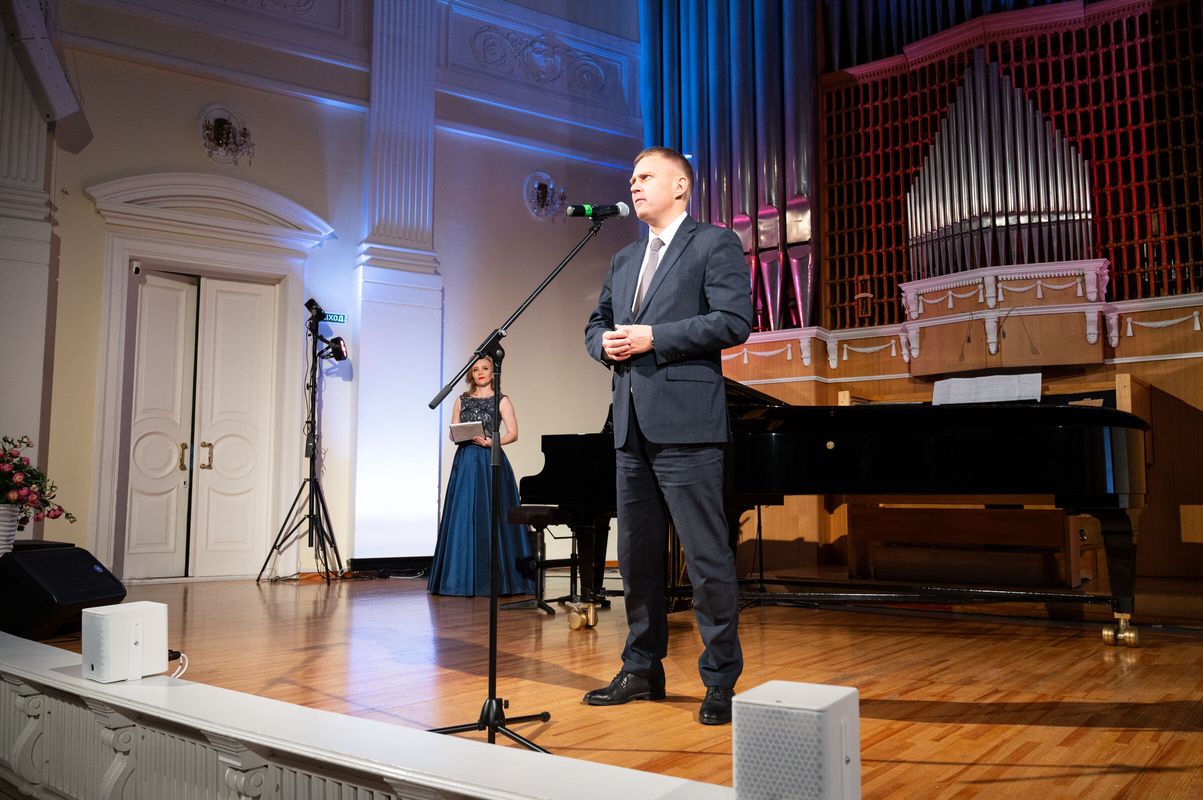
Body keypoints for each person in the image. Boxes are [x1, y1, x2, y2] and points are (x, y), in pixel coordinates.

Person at [582, 146, 754, 725]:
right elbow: (596, 323)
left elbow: (734, 321)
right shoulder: (624, 257)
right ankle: (641, 667)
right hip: (630, 426)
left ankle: (721, 678)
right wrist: (603, 344)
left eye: (645, 176)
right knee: (636, 559)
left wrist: (655, 336)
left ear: (680, 186)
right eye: (631, 177)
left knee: (705, 558)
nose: (633, 185)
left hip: (688, 425)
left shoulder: (714, 244)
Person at [427, 357, 535, 597]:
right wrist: (460, 434)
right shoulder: (461, 399)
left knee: (493, 513)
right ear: (471, 375)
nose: (480, 373)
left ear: (492, 371)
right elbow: (452, 433)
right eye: (475, 370)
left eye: (484, 368)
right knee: (463, 514)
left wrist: (491, 442)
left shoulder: (502, 400)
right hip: (466, 461)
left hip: (490, 459)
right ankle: (459, 579)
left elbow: (513, 433)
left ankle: (501, 580)